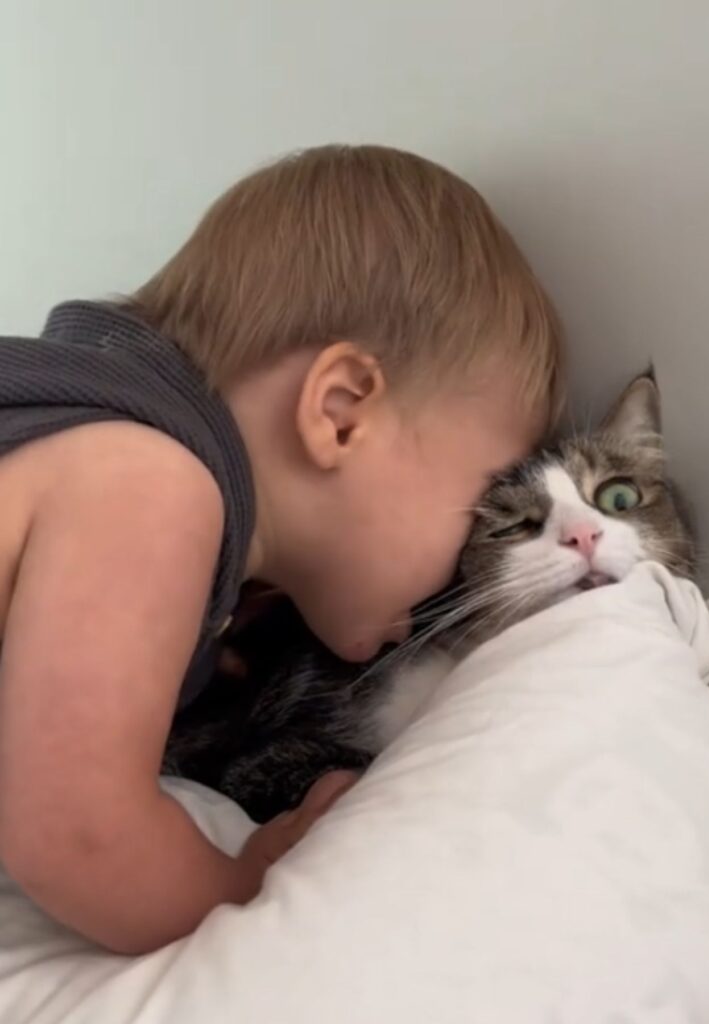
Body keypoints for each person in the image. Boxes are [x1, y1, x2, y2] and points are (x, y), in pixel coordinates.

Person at [0, 145, 563, 954]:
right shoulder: (150, 485)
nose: (471, 546)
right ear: (340, 413)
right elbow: (78, 833)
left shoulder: (94, 444)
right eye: (482, 498)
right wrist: (245, 881)